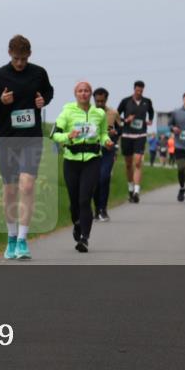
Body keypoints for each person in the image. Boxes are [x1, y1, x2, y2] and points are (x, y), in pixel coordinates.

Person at [0, 35, 54, 260]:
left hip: (32, 138)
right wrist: (0, 102)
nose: (20, 63)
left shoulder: (38, 73)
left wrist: (44, 101)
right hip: (7, 140)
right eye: (16, 58)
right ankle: (11, 238)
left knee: (28, 186)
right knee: (10, 190)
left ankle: (23, 240)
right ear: (9, 54)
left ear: (29, 55)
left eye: (23, 58)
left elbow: (48, 92)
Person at [51, 82, 114, 253]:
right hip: (71, 161)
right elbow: (54, 134)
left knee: (85, 199)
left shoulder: (99, 113)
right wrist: (68, 136)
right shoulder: (67, 112)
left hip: (92, 160)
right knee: (74, 202)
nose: (83, 94)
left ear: (91, 94)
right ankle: (77, 224)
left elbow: (102, 133)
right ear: (75, 94)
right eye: (80, 91)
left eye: (86, 91)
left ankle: (85, 239)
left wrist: (106, 141)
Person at [116, 81, 154, 203]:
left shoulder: (147, 102)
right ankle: (131, 189)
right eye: (137, 90)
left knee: (137, 162)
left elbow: (151, 112)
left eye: (141, 90)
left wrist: (150, 120)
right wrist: (126, 119)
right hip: (127, 135)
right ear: (134, 89)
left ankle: (137, 191)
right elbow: (116, 116)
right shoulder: (125, 101)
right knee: (128, 164)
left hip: (140, 135)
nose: (139, 92)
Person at [91, 87, 121, 222]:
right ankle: (97, 209)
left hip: (108, 151)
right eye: (97, 101)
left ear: (106, 100)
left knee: (104, 178)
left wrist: (115, 134)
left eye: (102, 101)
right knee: (94, 181)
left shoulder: (113, 113)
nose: (99, 104)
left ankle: (103, 209)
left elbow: (120, 129)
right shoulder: (88, 113)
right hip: (92, 150)